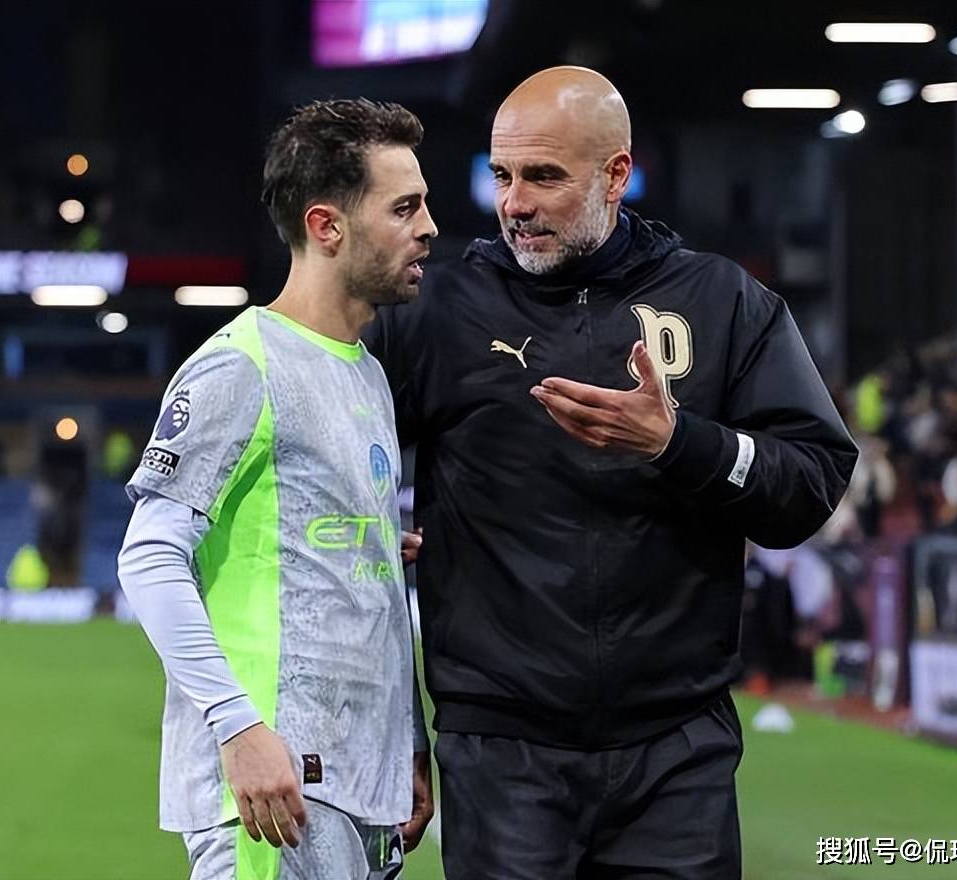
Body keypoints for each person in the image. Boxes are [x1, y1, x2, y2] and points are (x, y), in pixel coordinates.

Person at [365, 67, 857, 879]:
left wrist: (679, 443)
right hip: (502, 752)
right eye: (502, 176)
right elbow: (326, 451)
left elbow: (810, 482)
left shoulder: (723, 302)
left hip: (677, 755)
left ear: (616, 175)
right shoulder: (438, 312)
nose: (514, 203)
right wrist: (369, 529)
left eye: (543, 176)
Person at [117, 98, 438, 879]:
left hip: (358, 786)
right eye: (404, 208)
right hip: (273, 790)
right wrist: (237, 727)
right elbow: (149, 557)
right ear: (327, 226)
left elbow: (355, 575)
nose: (429, 227)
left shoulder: (366, 375)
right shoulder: (242, 365)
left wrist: (407, 743)